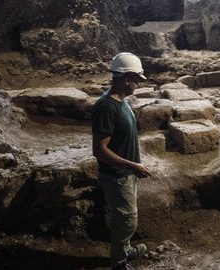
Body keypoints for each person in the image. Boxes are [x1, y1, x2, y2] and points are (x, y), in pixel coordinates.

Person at [91, 52, 152, 270]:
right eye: (136, 80)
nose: (137, 84)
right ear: (126, 78)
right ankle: (119, 263)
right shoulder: (106, 107)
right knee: (126, 220)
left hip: (126, 174)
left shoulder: (122, 101)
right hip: (117, 176)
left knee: (126, 217)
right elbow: (99, 150)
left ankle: (124, 250)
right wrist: (133, 165)